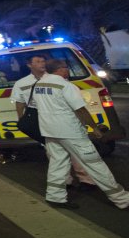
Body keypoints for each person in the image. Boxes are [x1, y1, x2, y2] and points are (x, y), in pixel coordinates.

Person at [33, 59, 129, 209]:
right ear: (60, 69)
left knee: (58, 163)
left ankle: (55, 196)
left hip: (50, 131)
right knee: (95, 163)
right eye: (66, 67)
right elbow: (80, 110)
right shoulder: (66, 85)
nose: (68, 70)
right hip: (70, 132)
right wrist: (94, 128)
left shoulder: (39, 85)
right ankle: (122, 199)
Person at [11, 54, 95, 188]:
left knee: (76, 152)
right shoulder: (22, 83)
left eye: (43, 61)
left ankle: (86, 180)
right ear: (29, 65)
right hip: (44, 121)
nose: (42, 64)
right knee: (55, 154)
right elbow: (19, 102)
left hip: (64, 118)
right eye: (38, 61)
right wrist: (22, 119)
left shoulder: (57, 79)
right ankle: (65, 182)